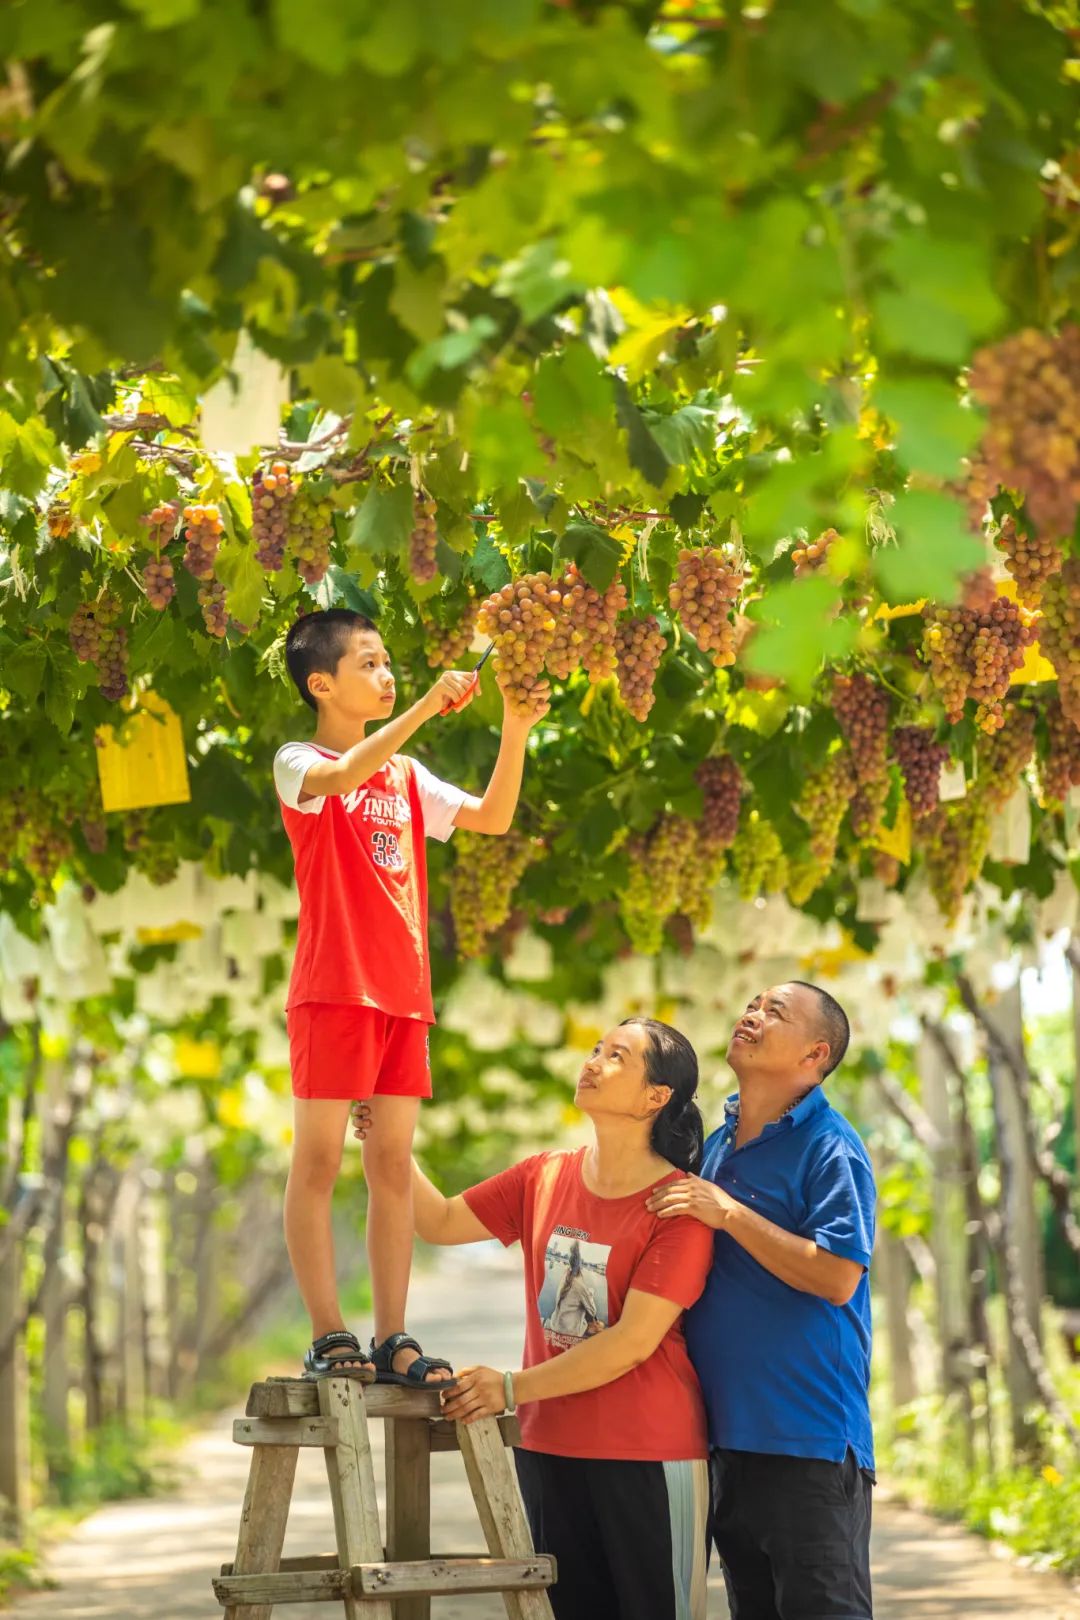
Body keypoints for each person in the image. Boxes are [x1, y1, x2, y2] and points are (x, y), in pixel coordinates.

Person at [352, 1018, 715, 1620]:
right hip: (547, 1447)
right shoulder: (544, 1175)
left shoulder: (678, 1207)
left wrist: (511, 1387)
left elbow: (632, 1343)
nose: (593, 1062)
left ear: (657, 1097)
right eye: (596, 1050)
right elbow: (439, 1222)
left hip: (649, 1457)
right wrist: (389, 1147)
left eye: (617, 1056)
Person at [273, 607, 548, 1386]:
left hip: (403, 996)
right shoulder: (297, 760)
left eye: (387, 661)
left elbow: (491, 819)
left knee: (391, 1164)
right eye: (368, 662)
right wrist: (426, 706)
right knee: (320, 1161)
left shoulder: (405, 775)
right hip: (332, 988)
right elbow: (338, 777)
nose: (386, 674)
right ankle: (331, 1334)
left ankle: (393, 1335)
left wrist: (516, 726)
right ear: (320, 682)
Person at [646, 981, 876, 1620]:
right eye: (751, 1004)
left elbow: (837, 1277)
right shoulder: (715, 1147)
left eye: (775, 1012)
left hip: (808, 1441)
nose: (751, 1015)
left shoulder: (832, 1147)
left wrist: (729, 1213)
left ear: (815, 1055)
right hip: (725, 1443)